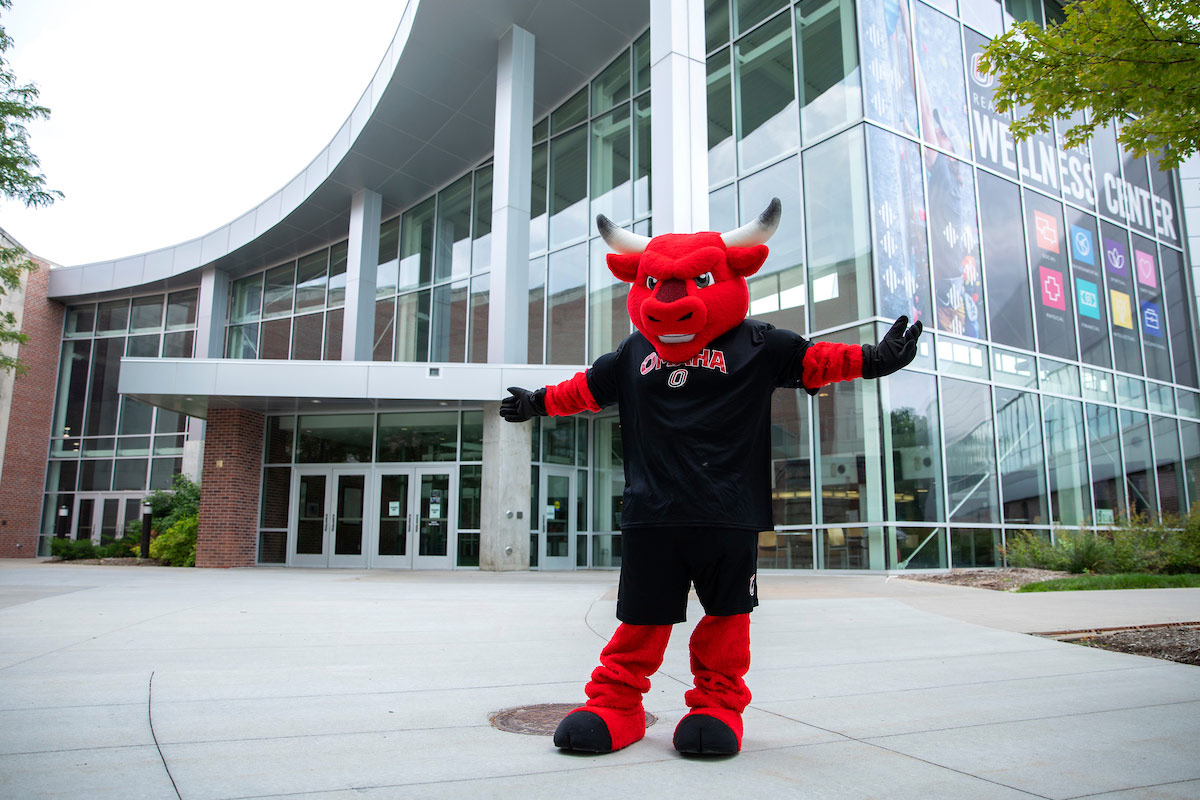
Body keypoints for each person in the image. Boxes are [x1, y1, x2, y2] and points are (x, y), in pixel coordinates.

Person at [501, 200, 922, 755]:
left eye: (698, 280)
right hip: (653, 515)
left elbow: (818, 361)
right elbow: (583, 389)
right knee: (640, 622)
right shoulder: (632, 353)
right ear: (638, 282)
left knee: (727, 621)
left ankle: (718, 706)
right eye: (655, 284)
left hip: (730, 514)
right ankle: (614, 704)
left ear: (729, 274)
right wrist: (536, 402)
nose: (671, 302)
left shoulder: (758, 344)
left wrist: (873, 359)